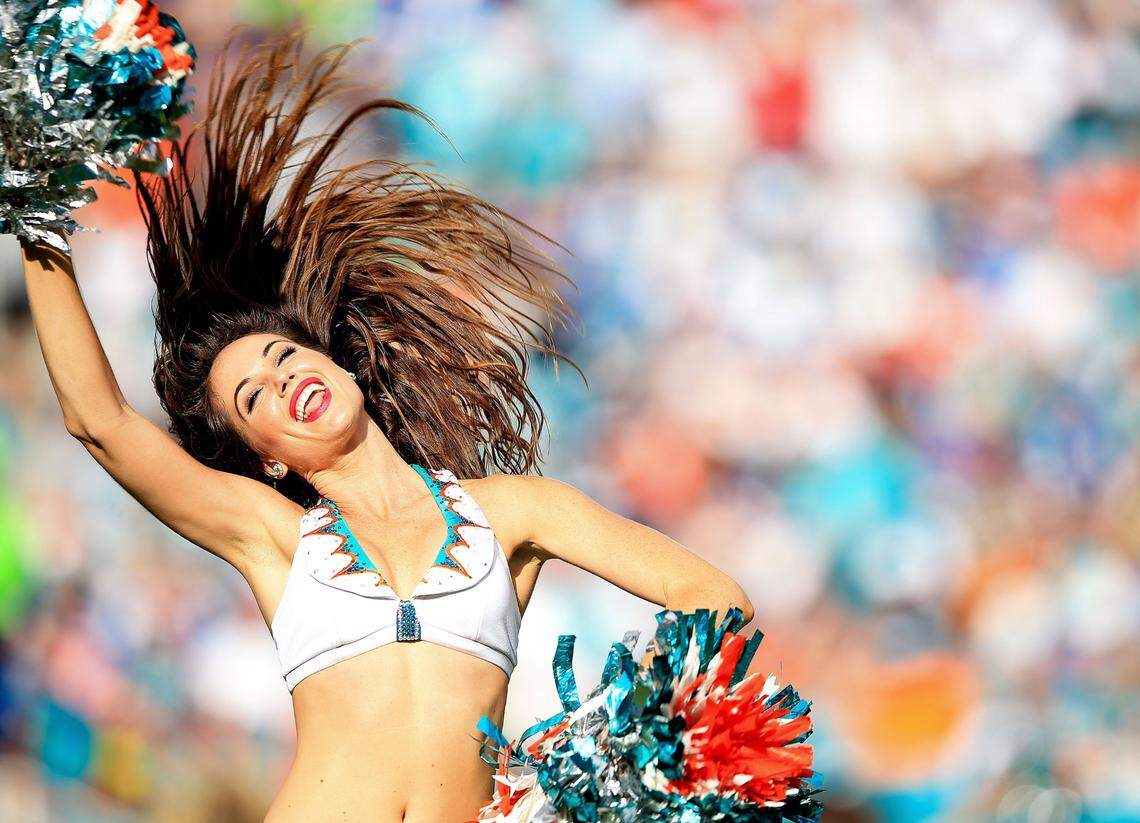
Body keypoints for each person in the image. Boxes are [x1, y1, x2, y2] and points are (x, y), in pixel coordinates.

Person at [16, 32, 754, 822]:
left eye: (282, 355)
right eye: (254, 399)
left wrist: (609, 763)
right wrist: (34, 200)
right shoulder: (272, 537)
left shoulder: (515, 512)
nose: (281, 377)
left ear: (338, 366)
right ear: (264, 460)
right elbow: (99, 422)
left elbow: (714, 600)